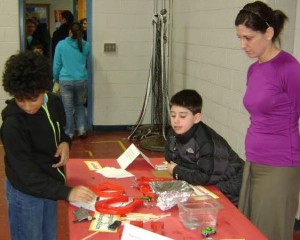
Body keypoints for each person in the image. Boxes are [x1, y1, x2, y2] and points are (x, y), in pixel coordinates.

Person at [0, 51, 96, 240]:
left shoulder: (54, 102)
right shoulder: (12, 125)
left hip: (48, 185)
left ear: (44, 89)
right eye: (20, 100)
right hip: (25, 194)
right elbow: (26, 175)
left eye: (33, 99)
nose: (28, 106)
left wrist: (65, 142)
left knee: (48, 236)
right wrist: (67, 193)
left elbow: (63, 130)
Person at [235, 1, 300, 239]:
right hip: (253, 161)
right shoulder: (254, 70)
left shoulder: (289, 68)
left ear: (269, 33)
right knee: (250, 231)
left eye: (248, 38)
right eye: (239, 37)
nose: (243, 45)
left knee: (269, 233)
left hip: (280, 165)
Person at [165, 89, 244, 206]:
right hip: (209, 182)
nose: (176, 120)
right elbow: (171, 159)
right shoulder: (172, 133)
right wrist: (181, 170)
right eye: (172, 115)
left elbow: (204, 177)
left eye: (182, 116)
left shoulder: (206, 142)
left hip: (231, 185)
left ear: (196, 118)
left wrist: (177, 171)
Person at [53, 22, 90, 139]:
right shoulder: (87, 45)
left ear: (70, 32)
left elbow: (56, 65)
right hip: (81, 80)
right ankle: (82, 129)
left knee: (68, 108)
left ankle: (69, 132)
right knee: (79, 105)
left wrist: (56, 78)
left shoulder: (61, 45)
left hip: (65, 81)